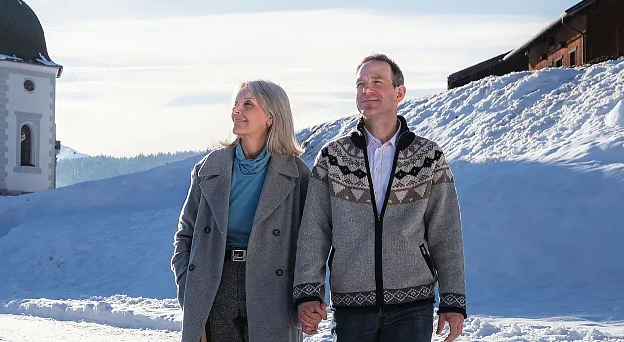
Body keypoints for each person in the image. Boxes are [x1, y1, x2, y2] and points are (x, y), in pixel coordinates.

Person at [294, 54, 468, 342]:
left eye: (377, 82)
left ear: (399, 92)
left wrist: (453, 300)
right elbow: (314, 229)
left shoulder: (428, 157)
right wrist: (309, 292)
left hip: (413, 306)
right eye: (361, 84)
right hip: (351, 305)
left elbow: (445, 231)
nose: (367, 90)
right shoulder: (332, 158)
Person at [172, 80, 312, 342]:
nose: (236, 110)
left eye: (248, 104)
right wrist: (191, 297)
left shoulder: (297, 174)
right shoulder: (208, 168)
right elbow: (185, 237)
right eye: (235, 104)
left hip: (273, 290)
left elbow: (310, 245)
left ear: (271, 117)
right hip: (215, 286)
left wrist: (307, 295)